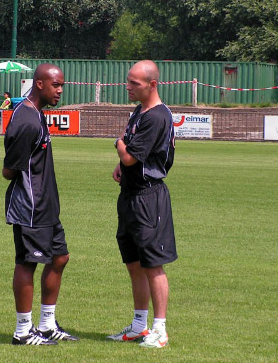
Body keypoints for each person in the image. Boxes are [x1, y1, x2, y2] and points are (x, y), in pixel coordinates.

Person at [2, 64, 78, 346]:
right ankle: (23, 331)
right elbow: (9, 170)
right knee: (27, 263)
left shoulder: (36, 114)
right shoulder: (26, 120)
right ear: (39, 84)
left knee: (60, 258)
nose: (60, 90)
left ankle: (46, 325)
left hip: (46, 205)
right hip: (30, 206)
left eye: (61, 85)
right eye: (56, 85)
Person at [107, 60, 177, 349]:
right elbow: (129, 160)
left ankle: (160, 330)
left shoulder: (157, 116)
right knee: (134, 264)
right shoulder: (140, 111)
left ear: (152, 84)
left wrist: (119, 146)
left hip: (149, 197)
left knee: (153, 264)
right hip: (131, 195)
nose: (128, 87)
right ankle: (139, 326)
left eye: (134, 83)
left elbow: (130, 155)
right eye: (128, 81)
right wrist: (121, 165)